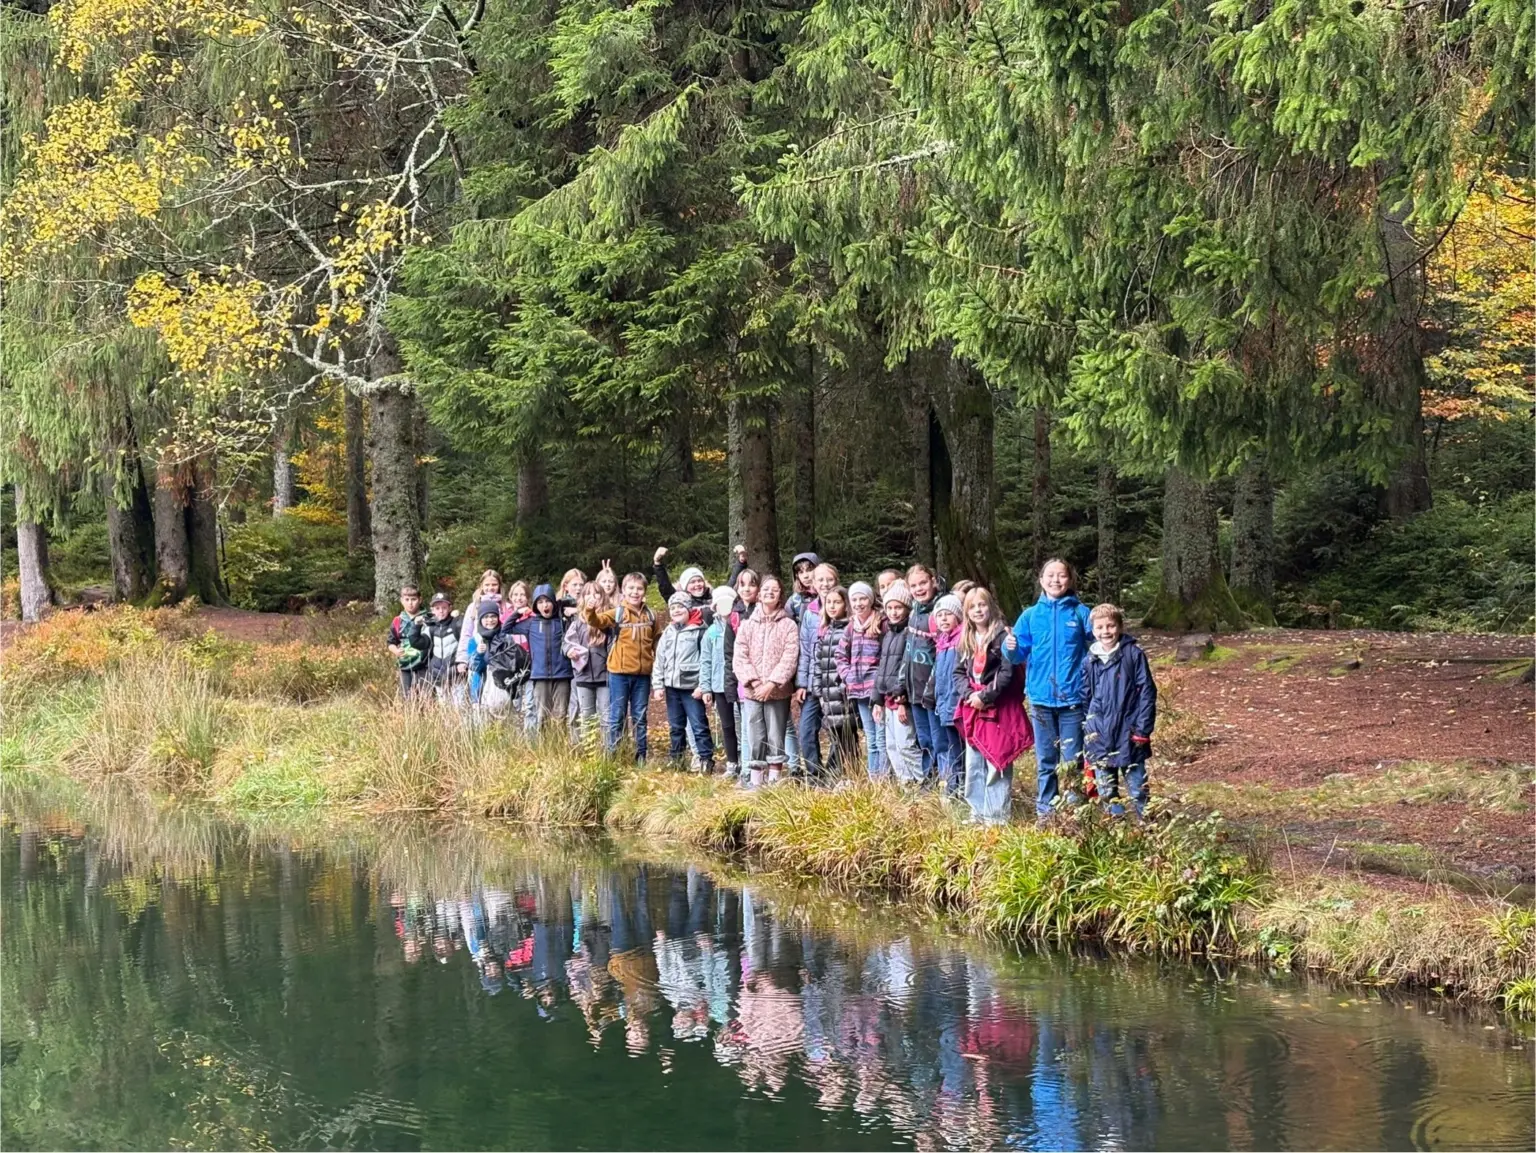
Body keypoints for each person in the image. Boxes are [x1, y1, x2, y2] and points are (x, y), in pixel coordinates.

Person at [1005, 558, 1094, 817]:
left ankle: (1076, 814)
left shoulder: (1081, 613)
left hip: (1072, 700)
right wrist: (1009, 648)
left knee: (1072, 760)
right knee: (1046, 761)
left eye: (1061, 575)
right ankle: (1046, 813)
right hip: (1040, 699)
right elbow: (1017, 654)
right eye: (1050, 575)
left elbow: (1099, 644)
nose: (1056, 580)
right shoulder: (1030, 616)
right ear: (1041, 580)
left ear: (1070, 580)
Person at [954, 587, 1033, 825]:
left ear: (991, 606)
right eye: (972, 607)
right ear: (966, 612)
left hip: (996, 706)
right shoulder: (966, 638)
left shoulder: (1002, 636)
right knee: (974, 761)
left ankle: (996, 817)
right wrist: (969, 694)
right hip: (972, 706)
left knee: (996, 759)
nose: (978, 610)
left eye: (982, 605)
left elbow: (1007, 672)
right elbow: (958, 672)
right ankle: (977, 812)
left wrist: (985, 696)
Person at [1080, 603, 1157, 817]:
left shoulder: (1133, 655)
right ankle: (1116, 826)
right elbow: (1086, 697)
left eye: (1111, 626)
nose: (1106, 631)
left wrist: (1142, 730)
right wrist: (1090, 728)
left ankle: (1148, 827)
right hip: (1099, 736)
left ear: (1120, 627)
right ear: (1093, 630)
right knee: (1106, 791)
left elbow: (1147, 693)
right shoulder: (1090, 660)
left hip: (1129, 734)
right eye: (1100, 627)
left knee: (1138, 789)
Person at [581, 571, 665, 761]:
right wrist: (590, 609)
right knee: (617, 716)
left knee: (640, 717)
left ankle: (641, 757)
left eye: (639, 589)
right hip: (618, 673)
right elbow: (596, 621)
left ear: (644, 591)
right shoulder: (618, 612)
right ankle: (614, 757)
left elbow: (657, 641)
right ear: (624, 590)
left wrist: (658, 664)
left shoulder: (651, 615)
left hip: (643, 675)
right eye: (631, 588)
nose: (635, 592)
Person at [732, 574, 800, 787]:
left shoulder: (788, 625)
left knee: (775, 734)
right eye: (766, 589)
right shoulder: (747, 625)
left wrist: (771, 683)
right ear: (759, 594)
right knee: (755, 734)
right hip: (753, 691)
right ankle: (755, 782)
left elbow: (790, 657)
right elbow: (739, 656)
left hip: (777, 692)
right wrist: (754, 682)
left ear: (781, 595)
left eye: (775, 589)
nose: (770, 592)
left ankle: (774, 781)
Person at [653, 591, 714, 772]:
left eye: (680, 607)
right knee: (676, 726)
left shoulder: (700, 630)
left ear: (689, 608)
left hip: (692, 687)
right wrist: (658, 684)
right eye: (673, 608)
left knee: (698, 725)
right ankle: (677, 759)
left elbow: (706, 660)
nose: (676, 610)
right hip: (672, 688)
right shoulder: (669, 632)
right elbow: (660, 659)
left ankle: (706, 759)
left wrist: (703, 686)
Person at [874, 580, 924, 784]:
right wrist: (877, 700)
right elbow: (882, 668)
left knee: (906, 744)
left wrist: (902, 700)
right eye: (890, 608)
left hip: (901, 699)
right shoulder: (888, 634)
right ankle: (907, 784)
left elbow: (906, 668)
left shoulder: (908, 633)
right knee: (892, 745)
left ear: (907, 608)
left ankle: (923, 781)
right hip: (887, 698)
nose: (893, 612)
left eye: (898, 607)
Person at [834, 580, 886, 778]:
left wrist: (879, 681)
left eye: (862, 598)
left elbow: (886, 656)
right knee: (871, 737)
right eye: (854, 600)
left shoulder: (880, 623)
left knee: (881, 737)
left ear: (870, 600)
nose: (858, 603)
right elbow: (840, 655)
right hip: (858, 689)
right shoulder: (851, 627)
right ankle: (874, 778)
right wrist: (848, 676)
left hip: (876, 690)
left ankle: (885, 778)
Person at [793, 562, 839, 779]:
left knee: (839, 731)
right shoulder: (809, 611)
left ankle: (835, 771)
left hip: (836, 682)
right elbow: (804, 650)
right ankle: (814, 774)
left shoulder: (844, 607)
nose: (825, 584)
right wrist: (802, 683)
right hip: (812, 682)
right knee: (806, 730)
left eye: (829, 579)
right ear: (813, 582)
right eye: (821, 579)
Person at [810, 585, 858, 780]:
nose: (832, 606)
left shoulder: (850, 629)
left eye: (836, 602)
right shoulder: (826, 630)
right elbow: (818, 663)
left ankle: (848, 775)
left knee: (847, 736)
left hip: (844, 693)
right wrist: (818, 688)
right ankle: (839, 775)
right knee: (835, 735)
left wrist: (845, 685)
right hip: (828, 694)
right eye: (828, 602)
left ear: (845, 605)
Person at [512, 584, 573, 732]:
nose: (544, 605)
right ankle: (544, 744)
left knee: (561, 715)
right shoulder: (530, 623)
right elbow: (506, 628)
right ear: (535, 605)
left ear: (553, 602)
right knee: (542, 716)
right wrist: (518, 613)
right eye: (540, 602)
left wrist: (570, 609)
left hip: (562, 674)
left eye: (548, 601)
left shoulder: (563, 622)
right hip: (539, 675)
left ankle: (560, 744)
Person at [903, 564, 942, 779]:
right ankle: (929, 779)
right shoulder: (914, 613)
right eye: (914, 585)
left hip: (933, 691)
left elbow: (942, 655)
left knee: (939, 739)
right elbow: (907, 651)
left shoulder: (939, 611)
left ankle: (947, 780)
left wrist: (932, 688)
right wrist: (902, 685)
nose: (919, 589)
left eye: (923, 583)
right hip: (914, 689)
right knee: (923, 739)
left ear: (933, 581)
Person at [699, 584, 742, 777]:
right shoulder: (710, 633)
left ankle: (748, 761)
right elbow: (705, 661)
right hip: (719, 686)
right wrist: (705, 688)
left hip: (740, 684)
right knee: (727, 725)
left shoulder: (741, 625)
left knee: (743, 724)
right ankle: (732, 762)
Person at [564, 581, 612, 744]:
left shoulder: (608, 620)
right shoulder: (577, 622)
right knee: (587, 718)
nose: (592, 597)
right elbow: (566, 643)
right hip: (583, 676)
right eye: (588, 594)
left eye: (596, 593)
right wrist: (569, 651)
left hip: (605, 677)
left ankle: (608, 752)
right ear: (582, 598)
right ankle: (589, 752)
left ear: (602, 596)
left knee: (606, 717)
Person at [929, 593, 965, 796]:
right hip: (945, 706)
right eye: (939, 615)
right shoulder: (942, 643)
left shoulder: (961, 641)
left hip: (957, 707)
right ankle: (955, 788)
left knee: (961, 751)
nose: (943, 619)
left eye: (948, 614)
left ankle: (963, 790)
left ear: (958, 616)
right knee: (953, 750)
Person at [387, 584, 431, 696]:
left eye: (413, 599)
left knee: (426, 695)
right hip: (405, 665)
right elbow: (391, 642)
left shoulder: (428, 618)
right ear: (402, 601)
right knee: (406, 696)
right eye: (407, 600)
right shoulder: (397, 621)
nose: (410, 603)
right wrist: (396, 651)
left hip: (425, 665)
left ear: (420, 600)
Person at [455, 569, 503, 673]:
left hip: (500, 656)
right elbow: (466, 633)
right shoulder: (473, 607)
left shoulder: (504, 606)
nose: (490, 588)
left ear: (499, 585)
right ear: (481, 586)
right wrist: (462, 659)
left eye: (494, 584)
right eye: (487, 585)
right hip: (477, 653)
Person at [652, 547, 713, 621]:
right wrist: (658, 564)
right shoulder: (681, 601)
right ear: (685, 586)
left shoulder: (712, 597)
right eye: (692, 582)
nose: (697, 584)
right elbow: (665, 587)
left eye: (699, 581)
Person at [422, 592, 463, 697]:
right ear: (432, 610)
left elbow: (465, 643)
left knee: (459, 704)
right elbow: (418, 643)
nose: (441, 611)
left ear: (450, 608)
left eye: (444, 608)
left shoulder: (456, 623)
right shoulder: (430, 627)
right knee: (443, 704)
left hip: (456, 674)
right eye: (437, 608)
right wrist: (415, 627)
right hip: (438, 674)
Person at [786, 552, 821, 621]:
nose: (805, 576)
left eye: (809, 570)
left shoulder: (829, 595)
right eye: (801, 572)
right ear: (797, 576)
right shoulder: (794, 601)